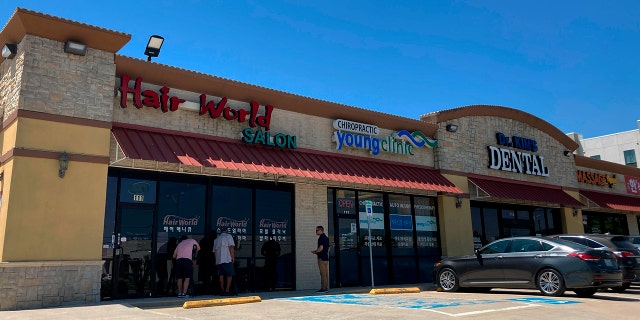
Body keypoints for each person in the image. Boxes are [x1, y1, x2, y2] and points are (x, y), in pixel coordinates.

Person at [213, 227, 235, 295]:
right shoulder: (228, 236)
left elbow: (214, 251)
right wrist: (232, 256)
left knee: (221, 275)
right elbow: (231, 247)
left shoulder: (216, 239)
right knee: (229, 275)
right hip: (227, 259)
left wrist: (216, 260)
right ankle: (227, 290)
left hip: (219, 260)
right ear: (226, 231)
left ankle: (222, 290)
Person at [311, 225, 329, 293]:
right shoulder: (326, 238)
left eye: (317, 230)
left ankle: (324, 288)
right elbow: (328, 248)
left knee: (322, 274)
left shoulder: (321, 238)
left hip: (321, 258)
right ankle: (326, 287)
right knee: (325, 274)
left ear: (321, 230)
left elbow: (321, 248)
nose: (316, 232)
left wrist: (315, 251)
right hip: (325, 258)